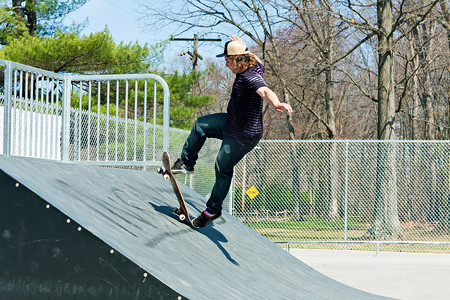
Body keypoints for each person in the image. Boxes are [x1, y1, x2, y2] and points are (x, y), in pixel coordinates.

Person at [172, 35, 293, 228]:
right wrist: (240, 45)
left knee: (222, 166)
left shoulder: (251, 77)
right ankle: (187, 162)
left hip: (243, 135)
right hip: (231, 122)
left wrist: (276, 102)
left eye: (228, 61)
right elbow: (257, 58)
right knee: (200, 125)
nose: (226, 65)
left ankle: (213, 210)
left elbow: (265, 91)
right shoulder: (254, 64)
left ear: (238, 60)